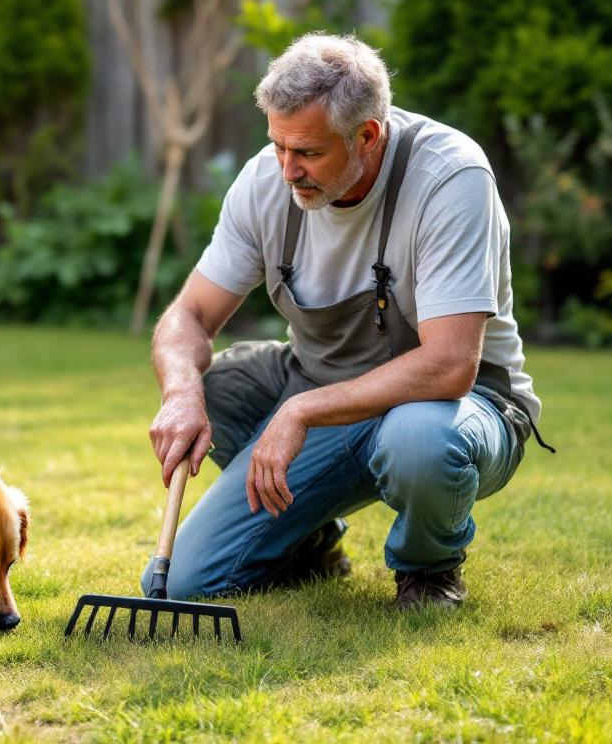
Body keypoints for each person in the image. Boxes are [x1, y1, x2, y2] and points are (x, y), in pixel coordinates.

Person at [143, 32, 551, 610]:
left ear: (367, 135)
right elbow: (190, 313)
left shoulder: (448, 179)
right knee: (188, 572)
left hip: (456, 408)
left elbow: (450, 366)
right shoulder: (267, 180)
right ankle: (306, 537)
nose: (287, 169)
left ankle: (427, 570)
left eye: (308, 152)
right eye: (279, 146)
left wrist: (302, 410)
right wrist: (180, 391)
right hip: (322, 393)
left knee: (418, 440)